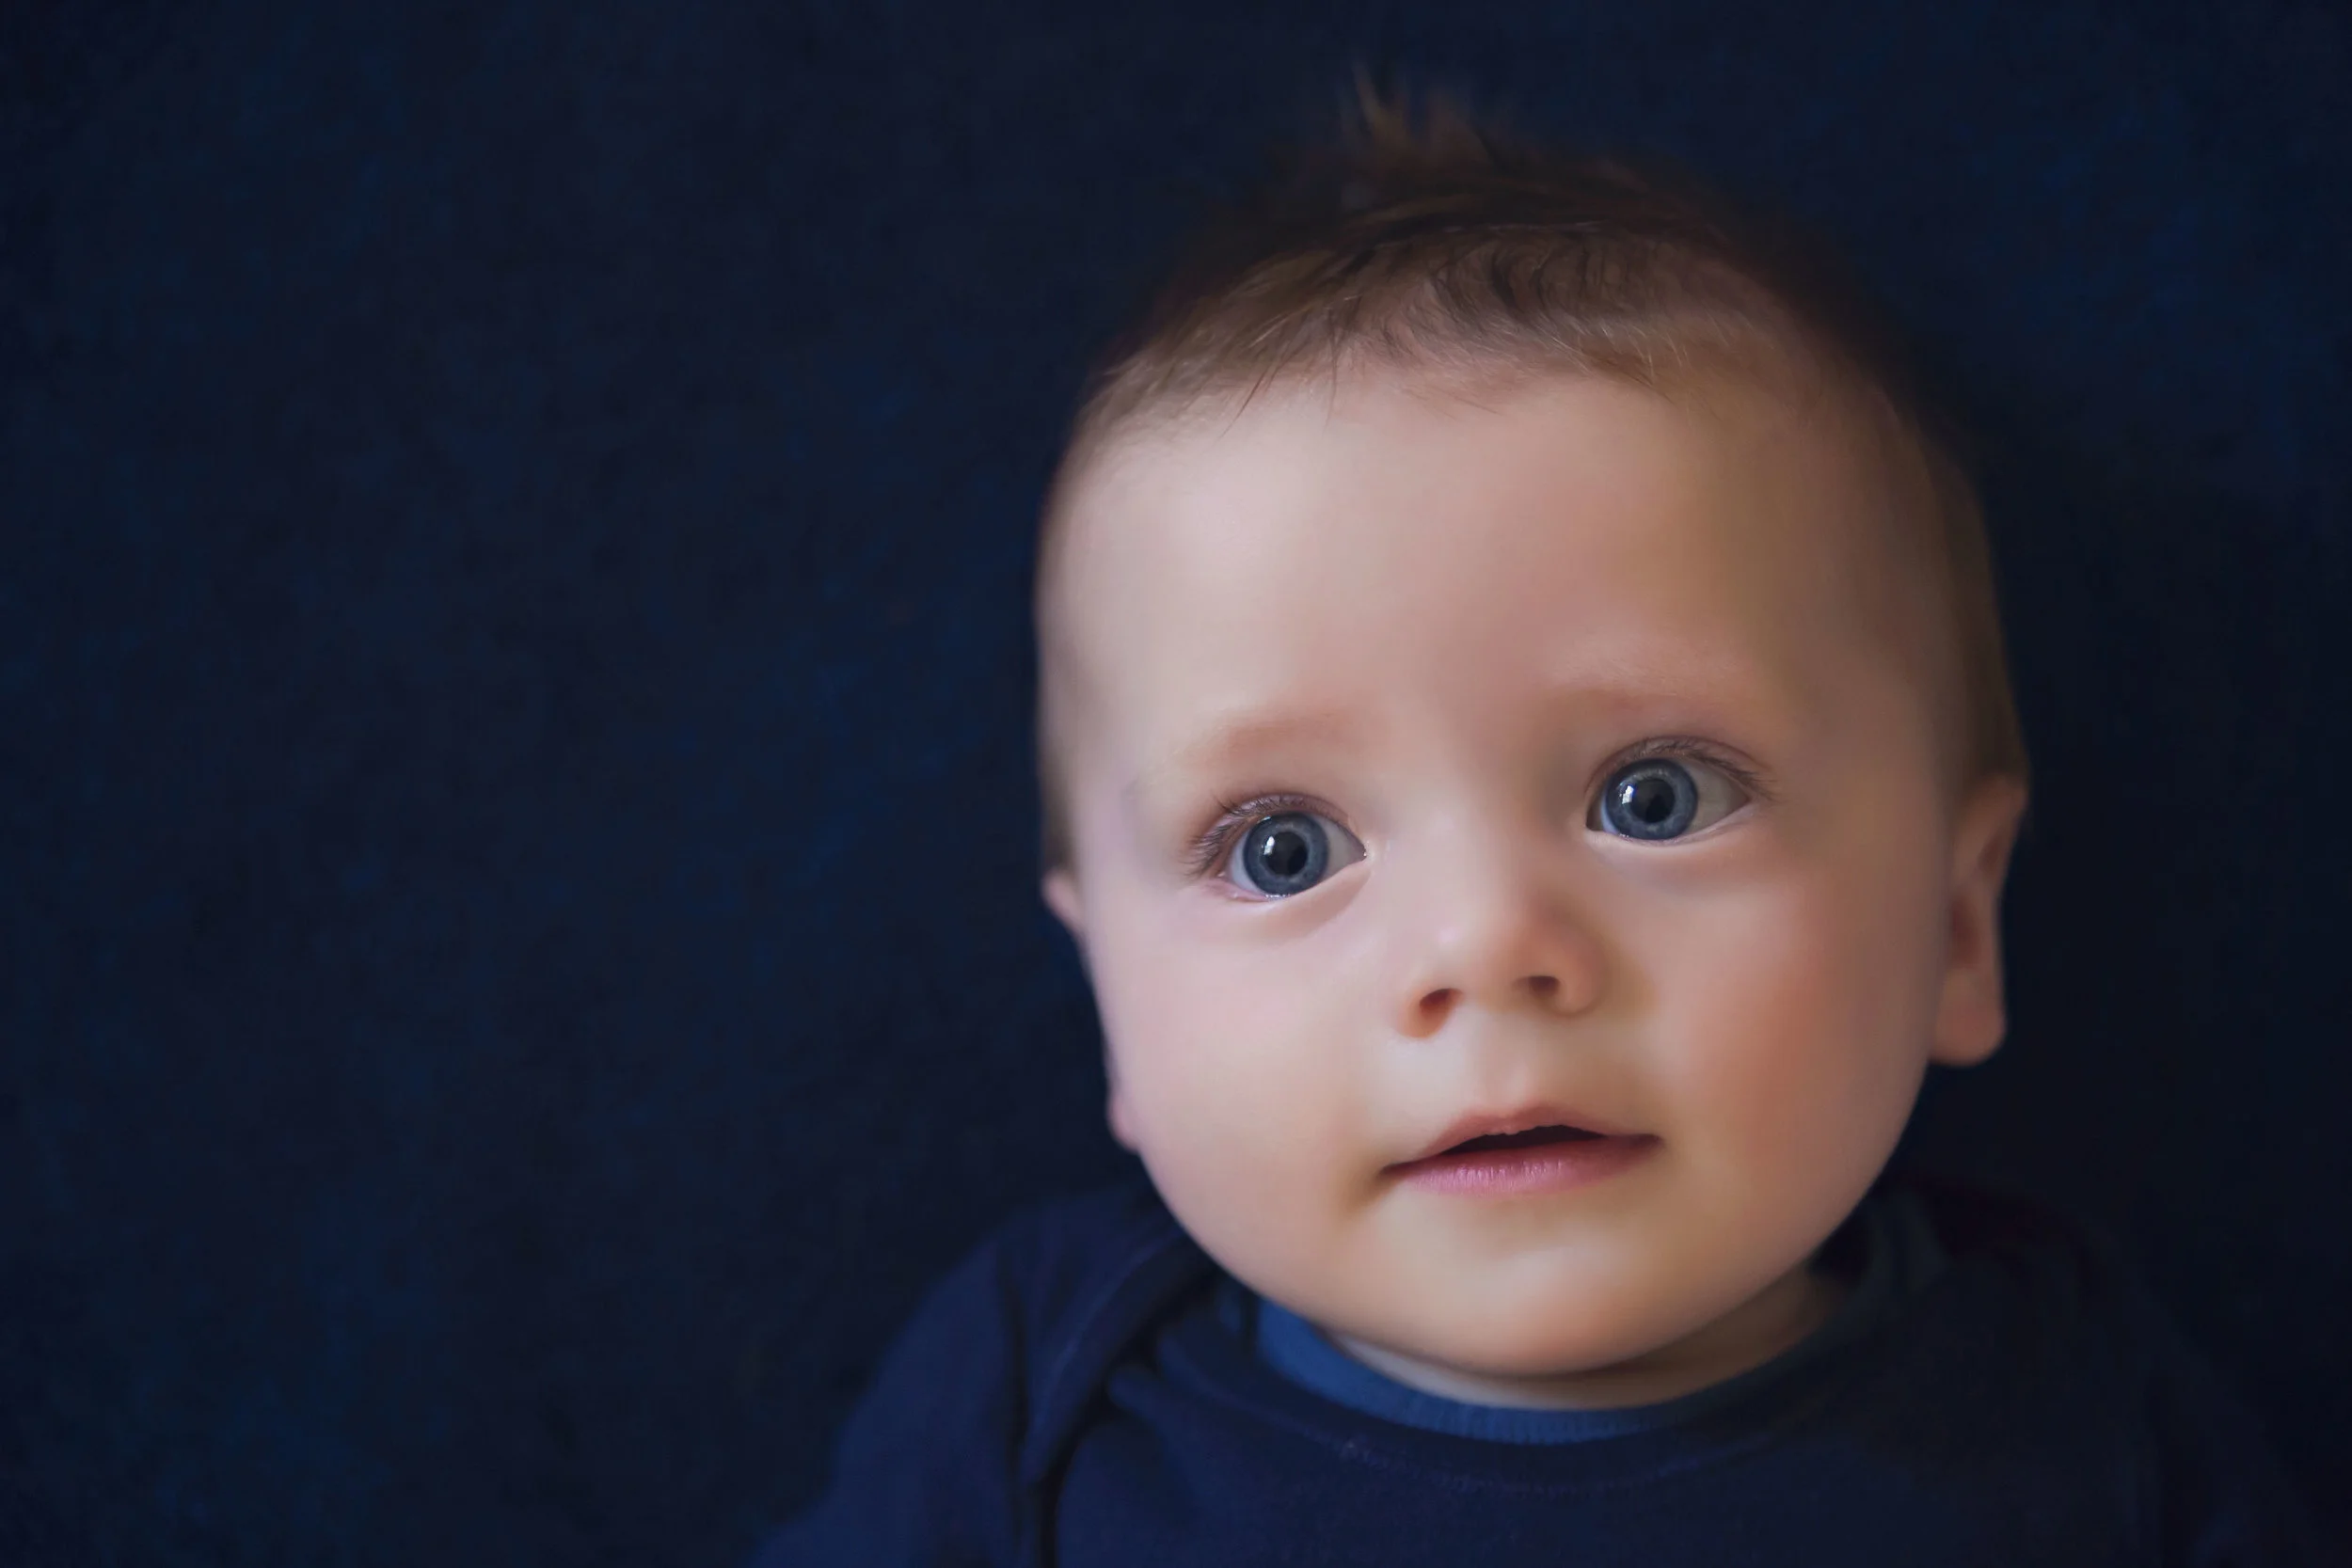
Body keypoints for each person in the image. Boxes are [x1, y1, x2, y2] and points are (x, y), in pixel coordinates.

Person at [755, 87, 2328, 1566]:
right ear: (1108, 993)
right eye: (1282, 848)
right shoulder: (1043, 1386)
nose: (1489, 943)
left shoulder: (2070, 1396)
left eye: (1657, 796)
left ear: (1960, 923)